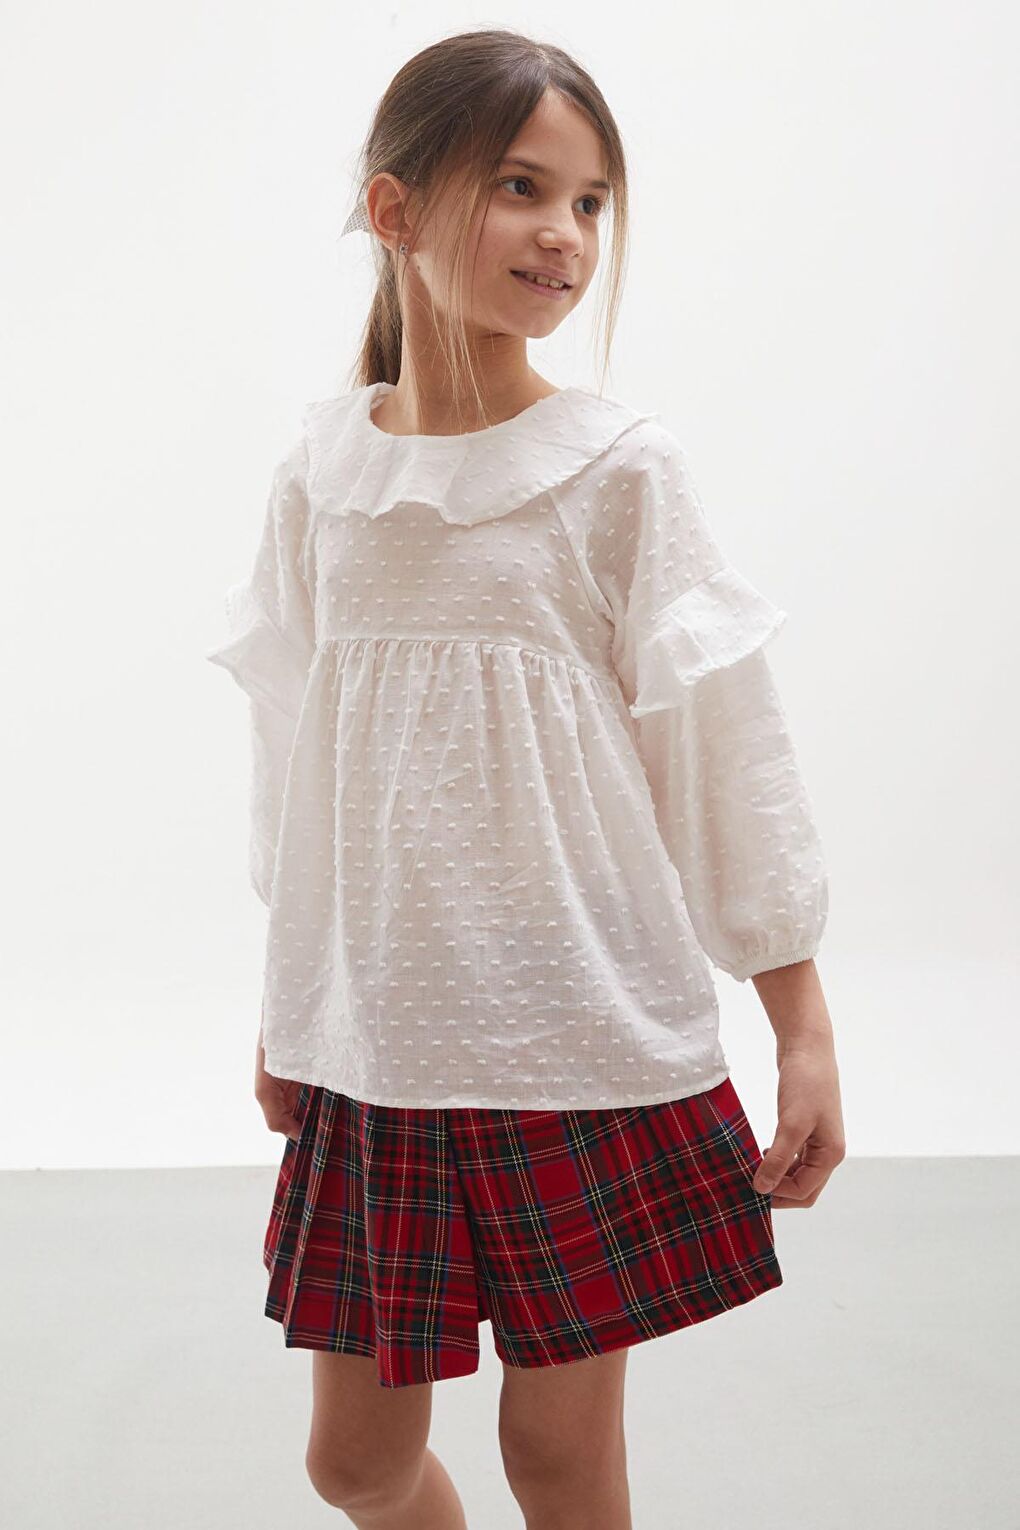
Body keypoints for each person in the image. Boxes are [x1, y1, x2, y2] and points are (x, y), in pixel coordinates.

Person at [206, 27, 845, 1530]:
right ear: (395, 209)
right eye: (520, 186)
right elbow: (300, 775)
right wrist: (294, 1006)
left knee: (560, 1463)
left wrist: (802, 1029)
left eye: (591, 201)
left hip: (571, 1037)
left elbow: (727, 758)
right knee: (354, 1464)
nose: (565, 233)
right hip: (379, 1049)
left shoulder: (618, 469)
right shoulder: (324, 478)